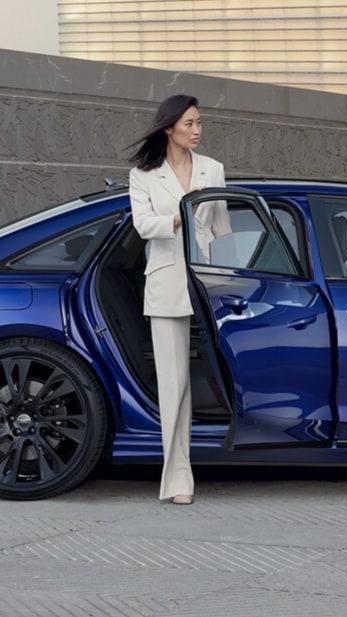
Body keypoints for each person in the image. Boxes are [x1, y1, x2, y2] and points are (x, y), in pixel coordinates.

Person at [126, 94, 228, 505]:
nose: (197, 130)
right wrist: (183, 212)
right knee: (175, 384)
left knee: (218, 371)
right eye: (189, 123)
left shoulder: (213, 169)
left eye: (199, 122)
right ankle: (178, 479)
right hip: (166, 282)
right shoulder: (144, 174)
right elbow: (143, 226)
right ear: (169, 128)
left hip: (208, 284)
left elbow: (221, 231)